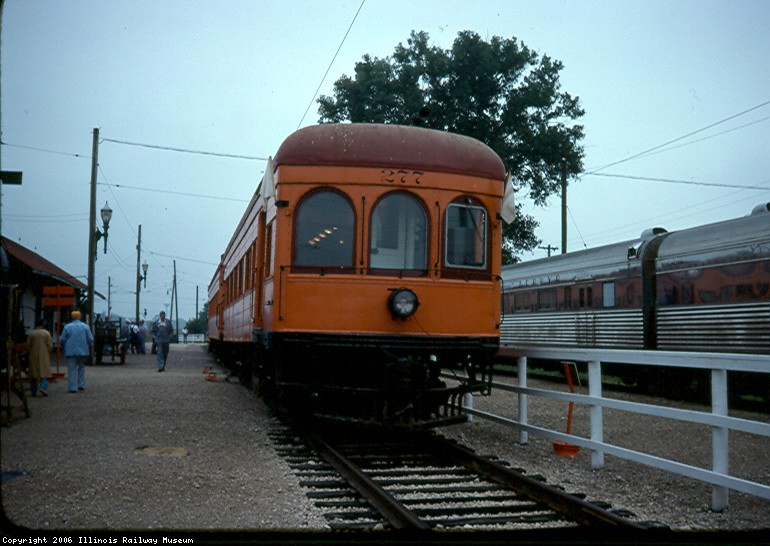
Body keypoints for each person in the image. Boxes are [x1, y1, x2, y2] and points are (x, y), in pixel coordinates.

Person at [59, 310, 93, 393]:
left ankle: (72, 387)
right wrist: (88, 345)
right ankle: (81, 384)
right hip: (83, 350)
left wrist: (63, 345)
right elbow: (90, 339)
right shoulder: (85, 326)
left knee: (71, 369)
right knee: (81, 368)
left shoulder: (67, 327)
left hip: (70, 351)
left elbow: (62, 339)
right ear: (80, 316)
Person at [26, 318, 53, 397]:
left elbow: (28, 345)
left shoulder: (31, 333)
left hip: (33, 355)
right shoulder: (46, 333)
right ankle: (42, 387)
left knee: (33, 373)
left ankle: (33, 391)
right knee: (44, 373)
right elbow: (50, 346)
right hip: (44, 355)